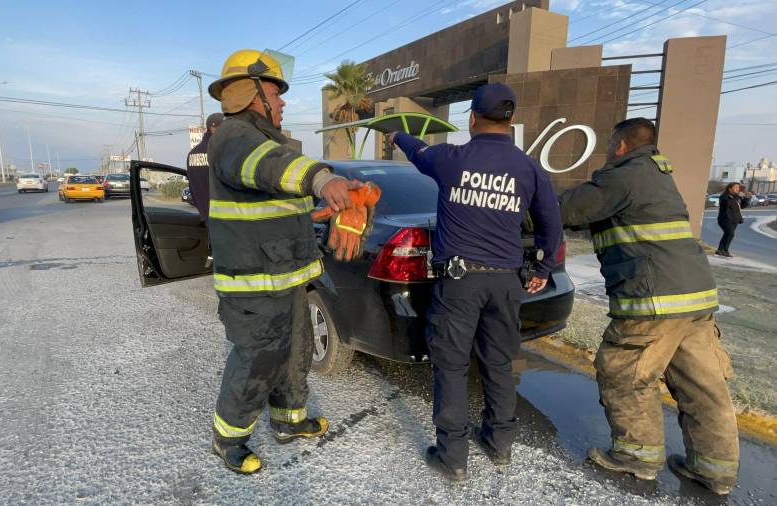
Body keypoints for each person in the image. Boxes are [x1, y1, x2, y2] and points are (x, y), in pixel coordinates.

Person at [388, 83, 562, 482]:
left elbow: (418, 152)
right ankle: (499, 445)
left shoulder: (452, 158)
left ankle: (453, 458)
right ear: (511, 120)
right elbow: (552, 223)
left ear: (471, 118)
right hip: (506, 283)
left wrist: (397, 135)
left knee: (450, 366)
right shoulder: (529, 167)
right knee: (498, 362)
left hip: (460, 282)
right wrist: (542, 269)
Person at [205, 49, 368, 474]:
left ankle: (288, 421)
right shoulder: (234, 136)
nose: (281, 102)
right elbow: (271, 169)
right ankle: (229, 437)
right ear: (250, 93)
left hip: (287, 275)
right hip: (253, 283)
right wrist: (322, 178)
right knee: (258, 359)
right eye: (276, 93)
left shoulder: (266, 141)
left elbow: (277, 198)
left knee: (295, 352)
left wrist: (324, 205)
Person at [558, 118, 739, 495]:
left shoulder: (625, 174)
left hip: (652, 301)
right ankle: (714, 471)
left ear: (620, 146)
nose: (607, 153)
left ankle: (636, 458)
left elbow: (570, 210)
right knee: (703, 386)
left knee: (625, 372)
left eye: (609, 146)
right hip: (695, 300)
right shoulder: (658, 174)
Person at [185, 113, 224, 221]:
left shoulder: (192, 154)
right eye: (225, 128)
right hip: (225, 219)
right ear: (213, 128)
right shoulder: (219, 150)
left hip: (205, 216)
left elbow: (192, 187)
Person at [715, 182, 751, 258]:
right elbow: (727, 203)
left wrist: (747, 198)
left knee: (727, 234)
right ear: (730, 189)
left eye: (738, 188)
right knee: (730, 234)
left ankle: (719, 250)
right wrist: (736, 197)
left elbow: (742, 206)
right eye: (735, 187)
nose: (737, 189)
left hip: (735, 219)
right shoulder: (724, 196)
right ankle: (725, 250)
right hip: (725, 219)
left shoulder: (737, 197)